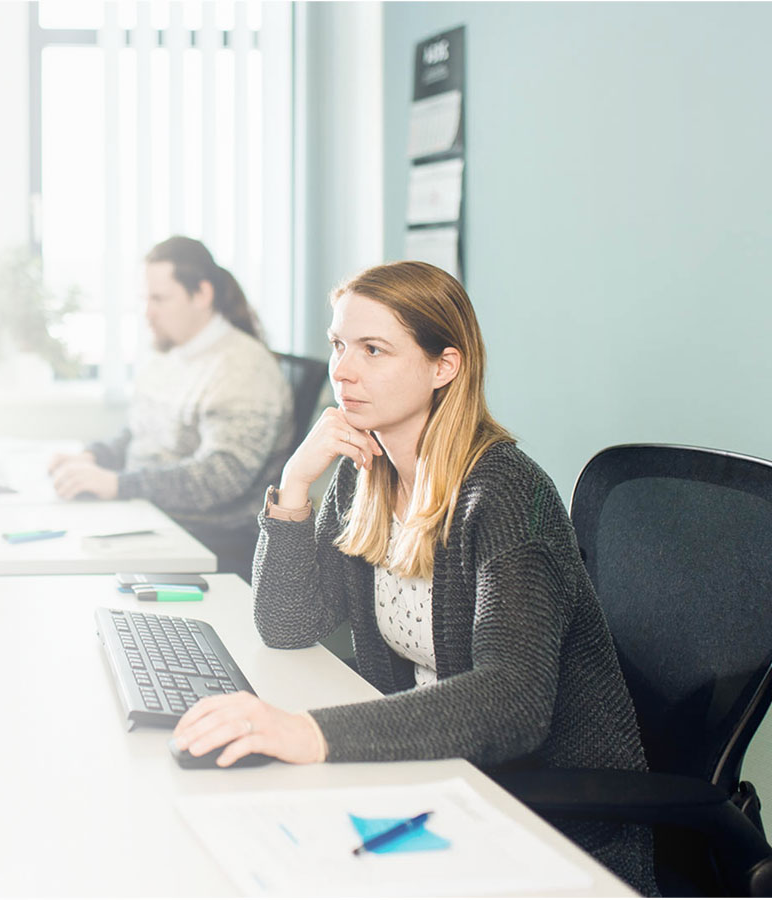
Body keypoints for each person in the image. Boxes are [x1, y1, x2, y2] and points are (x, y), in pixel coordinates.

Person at [170, 261, 656, 894]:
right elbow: (289, 625)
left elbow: (511, 703)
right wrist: (293, 486)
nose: (342, 371)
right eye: (339, 344)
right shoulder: (362, 474)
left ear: (443, 367)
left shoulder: (507, 493)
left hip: (548, 824)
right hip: (434, 779)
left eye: (374, 350)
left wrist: (309, 731)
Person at [47, 236, 293, 582]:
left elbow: (221, 476)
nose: (147, 312)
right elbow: (140, 433)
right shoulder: (171, 353)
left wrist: (119, 484)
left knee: (72, 571)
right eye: (145, 298)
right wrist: (92, 458)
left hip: (208, 540)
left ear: (202, 295)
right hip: (154, 518)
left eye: (159, 299)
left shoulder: (242, 367)